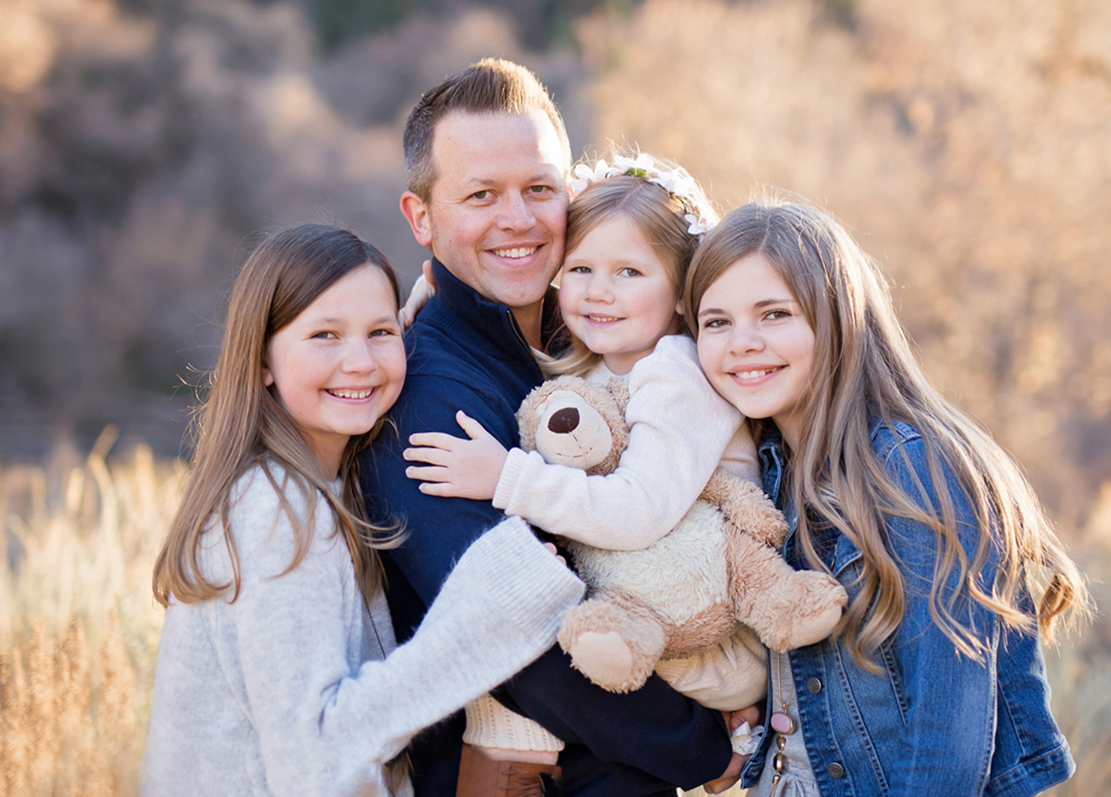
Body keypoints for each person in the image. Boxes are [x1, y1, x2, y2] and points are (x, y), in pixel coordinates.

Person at [359, 60, 741, 797]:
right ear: (421, 218)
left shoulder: (595, 333)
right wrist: (706, 747)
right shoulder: (426, 399)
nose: (519, 219)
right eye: (481, 195)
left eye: (540, 188)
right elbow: (519, 636)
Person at [403, 153, 826, 787]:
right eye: (580, 269)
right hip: (654, 613)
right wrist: (436, 288)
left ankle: (727, 721)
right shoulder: (599, 360)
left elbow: (639, 510)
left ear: (682, 291)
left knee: (545, 651)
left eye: (629, 271)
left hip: (712, 620)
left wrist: (505, 478)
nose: (598, 291)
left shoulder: (676, 371)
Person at [141, 223, 585, 797]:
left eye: (379, 332)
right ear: (264, 360)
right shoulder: (276, 508)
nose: (359, 362)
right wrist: (487, 609)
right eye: (325, 335)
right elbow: (318, 758)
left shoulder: (321, 485)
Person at [684, 201, 1090, 796]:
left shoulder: (909, 466)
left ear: (838, 318)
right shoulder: (762, 470)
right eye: (715, 322)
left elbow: (948, 727)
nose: (742, 342)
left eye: (774, 314)